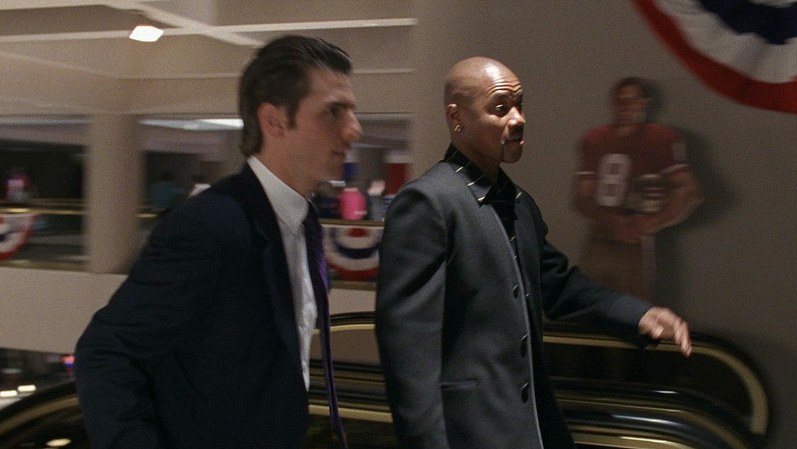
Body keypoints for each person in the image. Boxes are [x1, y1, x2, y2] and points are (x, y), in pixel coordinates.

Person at [374, 57, 691, 449]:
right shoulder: (428, 203)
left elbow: (558, 284)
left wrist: (637, 313)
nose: (519, 119)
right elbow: (407, 349)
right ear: (457, 118)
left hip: (533, 430)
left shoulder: (520, 204)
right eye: (501, 108)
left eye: (520, 105)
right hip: (469, 433)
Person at [74, 35, 362, 449]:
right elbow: (105, 353)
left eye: (352, 111)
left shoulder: (306, 224)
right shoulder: (209, 226)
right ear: (274, 120)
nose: (354, 130)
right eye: (334, 112)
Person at [574, 77, 701, 300]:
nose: (625, 106)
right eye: (620, 100)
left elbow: (689, 191)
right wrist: (609, 220)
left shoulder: (660, 139)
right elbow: (582, 197)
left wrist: (653, 221)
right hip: (600, 236)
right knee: (587, 306)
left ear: (645, 102)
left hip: (636, 241)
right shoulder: (595, 139)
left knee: (633, 309)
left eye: (632, 100)